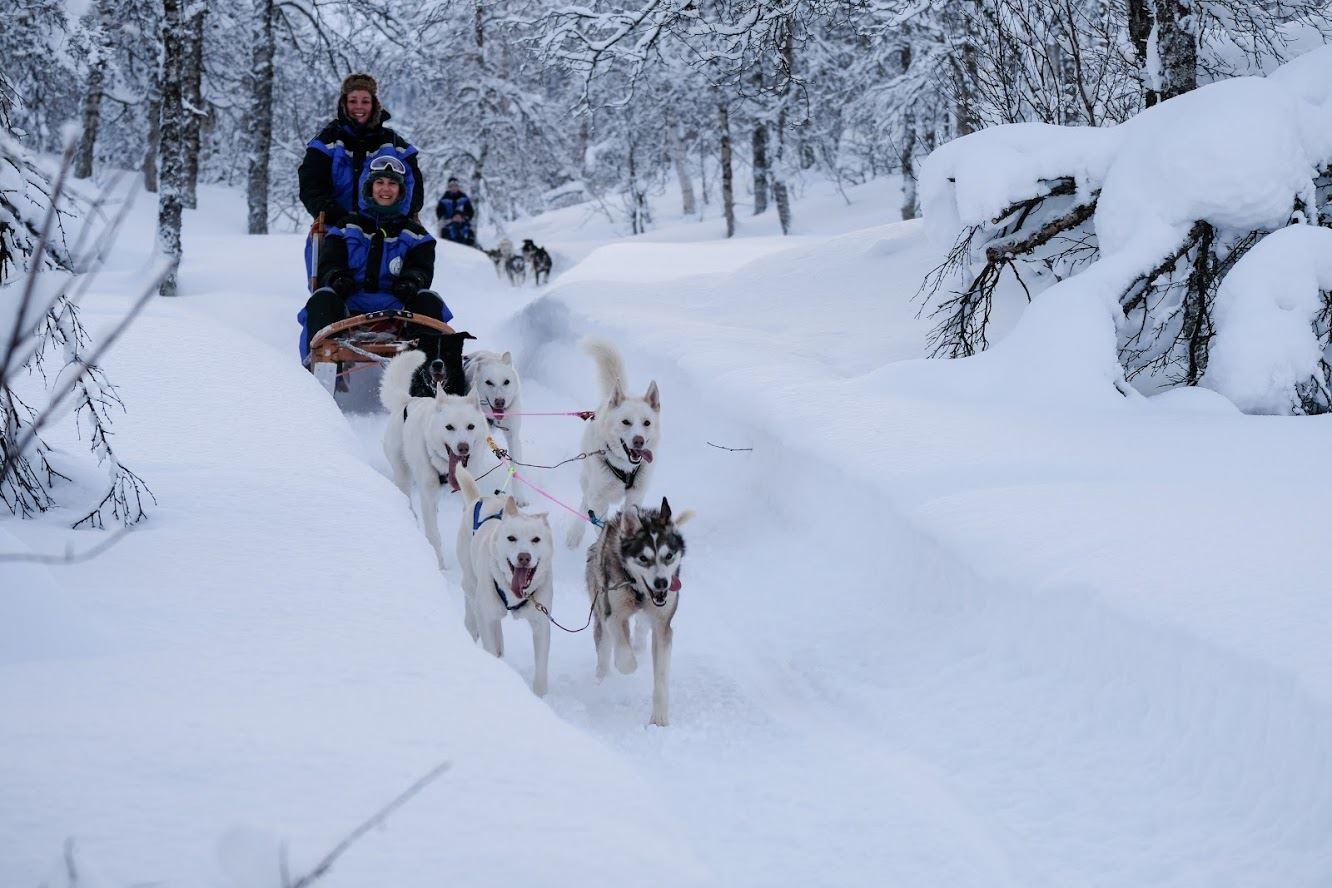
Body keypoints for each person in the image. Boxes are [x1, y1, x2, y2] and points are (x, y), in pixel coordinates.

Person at [298, 155, 468, 395]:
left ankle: (430, 387)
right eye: (380, 183)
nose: (385, 189)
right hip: (349, 302)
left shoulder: (417, 235)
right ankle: (316, 384)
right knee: (322, 298)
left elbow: (421, 269)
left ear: (400, 190)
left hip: (397, 305)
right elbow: (329, 263)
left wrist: (412, 280)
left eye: (392, 184)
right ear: (370, 187)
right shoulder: (346, 227)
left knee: (430, 300)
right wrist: (336, 277)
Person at [299, 73, 425, 227]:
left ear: (374, 105)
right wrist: (338, 218)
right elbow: (311, 187)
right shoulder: (326, 142)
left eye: (365, 101)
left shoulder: (394, 144)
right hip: (335, 229)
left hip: (387, 231)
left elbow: (414, 189)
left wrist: (394, 219)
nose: (359, 106)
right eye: (353, 101)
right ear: (344, 103)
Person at [434, 176, 476, 246]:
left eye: (455, 186)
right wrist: (443, 217)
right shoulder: (445, 198)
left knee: (469, 230)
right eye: (451, 186)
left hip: (461, 220)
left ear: (458, 187)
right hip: (448, 220)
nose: (454, 188)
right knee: (443, 229)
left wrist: (465, 216)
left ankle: (471, 245)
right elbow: (439, 211)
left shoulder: (463, 197)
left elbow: (470, 211)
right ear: (449, 187)